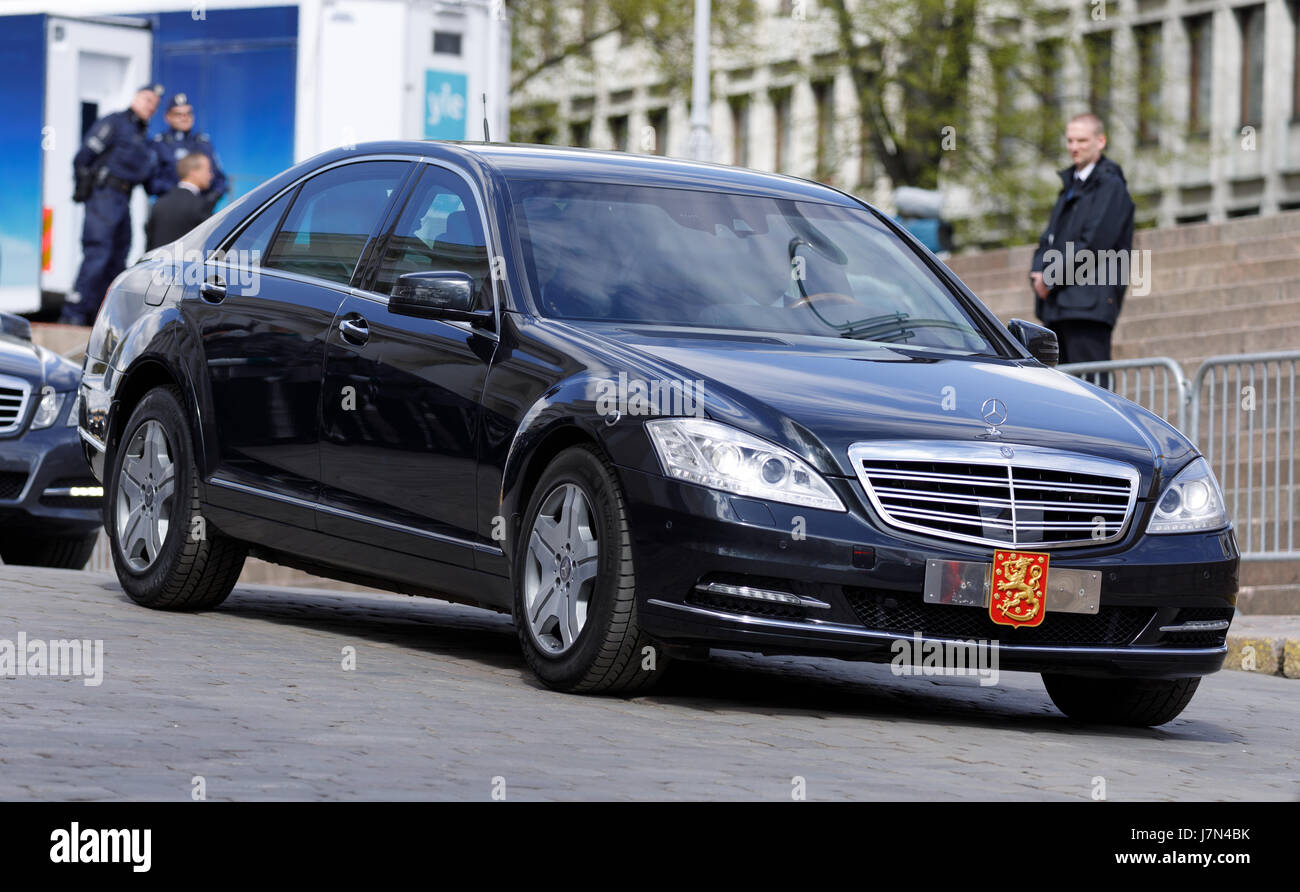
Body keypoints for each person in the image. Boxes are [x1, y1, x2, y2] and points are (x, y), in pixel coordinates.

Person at [1029, 113, 1134, 389]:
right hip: (1059, 306)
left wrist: (1049, 278)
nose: (1074, 146)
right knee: (1064, 392)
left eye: (1082, 140)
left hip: (1089, 305)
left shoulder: (1111, 186)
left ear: (1100, 141)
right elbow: (1048, 239)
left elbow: (1094, 244)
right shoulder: (1070, 188)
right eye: (1070, 140)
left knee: (1092, 391)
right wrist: (1038, 272)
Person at [62, 84, 165, 326]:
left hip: (124, 199)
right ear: (136, 98)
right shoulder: (115, 123)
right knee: (98, 252)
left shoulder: (143, 137)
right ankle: (74, 314)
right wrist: (84, 188)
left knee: (119, 257)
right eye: (147, 99)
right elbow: (83, 156)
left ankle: (100, 316)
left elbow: (150, 182)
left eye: (154, 105)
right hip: (104, 196)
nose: (150, 107)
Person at [149, 92, 228, 212]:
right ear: (167, 117)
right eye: (178, 114)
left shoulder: (203, 142)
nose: (184, 118)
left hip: (201, 212)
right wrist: (181, 195)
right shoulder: (160, 143)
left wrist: (208, 202)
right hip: (171, 211)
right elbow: (152, 182)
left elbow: (220, 180)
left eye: (188, 113)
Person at [145, 154, 214, 251]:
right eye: (208, 170)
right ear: (194, 172)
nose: (211, 175)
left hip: (159, 264)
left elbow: (150, 243)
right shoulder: (200, 205)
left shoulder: (159, 203)